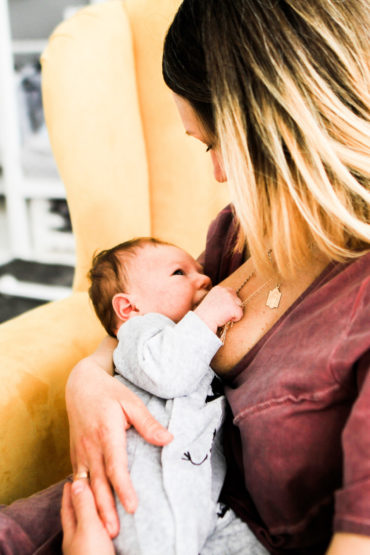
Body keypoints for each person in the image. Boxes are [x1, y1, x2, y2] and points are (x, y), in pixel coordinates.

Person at [1, 1, 369, 554]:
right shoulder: (241, 234)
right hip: (111, 507)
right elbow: (151, 321)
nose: (218, 173)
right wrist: (88, 380)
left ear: (280, 125)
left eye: (215, 144)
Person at [86, 236, 267, 554]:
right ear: (129, 307)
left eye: (198, 270)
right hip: (145, 498)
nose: (204, 278)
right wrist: (208, 315)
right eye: (179, 273)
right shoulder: (139, 334)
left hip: (202, 502)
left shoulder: (185, 338)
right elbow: (170, 373)